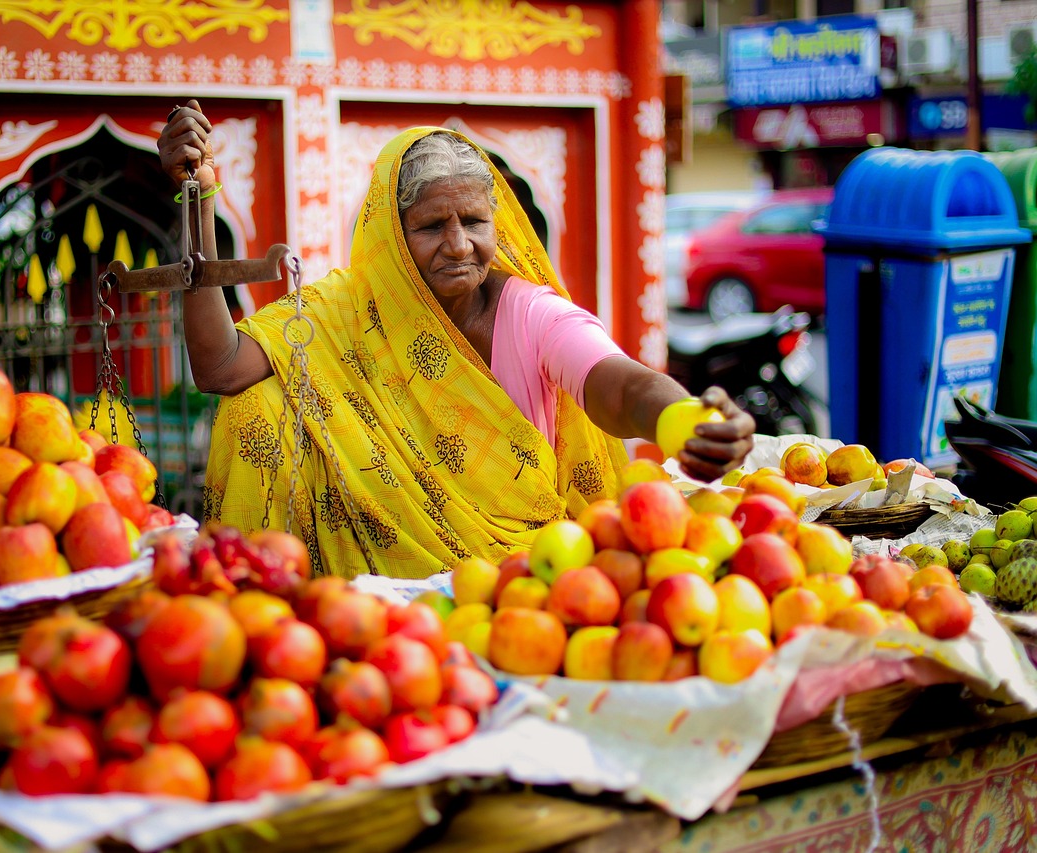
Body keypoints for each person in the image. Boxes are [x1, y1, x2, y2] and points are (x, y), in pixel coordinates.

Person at [157, 100, 755, 579]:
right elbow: (223, 370)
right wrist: (198, 200)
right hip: (379, 605)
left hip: (525, 585)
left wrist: (684, 415)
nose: (459, 245)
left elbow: (621, 388)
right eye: (430, 226)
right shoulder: (348, 310)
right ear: (391, 232)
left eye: (473, 222)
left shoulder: (532, 315)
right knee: (258, 402)